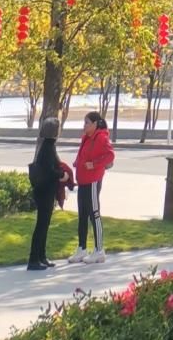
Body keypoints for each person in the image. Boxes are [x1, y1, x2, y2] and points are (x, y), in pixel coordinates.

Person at [70, 112, 115, 264]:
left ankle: (99, 250)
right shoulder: (86, 138)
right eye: (84, 122)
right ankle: (82, 248)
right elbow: (83, 154)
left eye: (87, 122)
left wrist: (94, 164)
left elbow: (110, 156)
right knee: (82, 214)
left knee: (94, 214)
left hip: (93, 181)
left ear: (95, 124)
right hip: (82, 181)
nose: (84, 125)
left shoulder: (101, 137)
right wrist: (77, 162)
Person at [27, 116, 67, 270]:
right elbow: (49, 171)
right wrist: (61, 175)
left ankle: (41, 256)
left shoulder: (47, 146)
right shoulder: (48, 148)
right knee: (41, 225)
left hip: (44, 191)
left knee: (44, 225)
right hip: (45, 191)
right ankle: (34, 259)